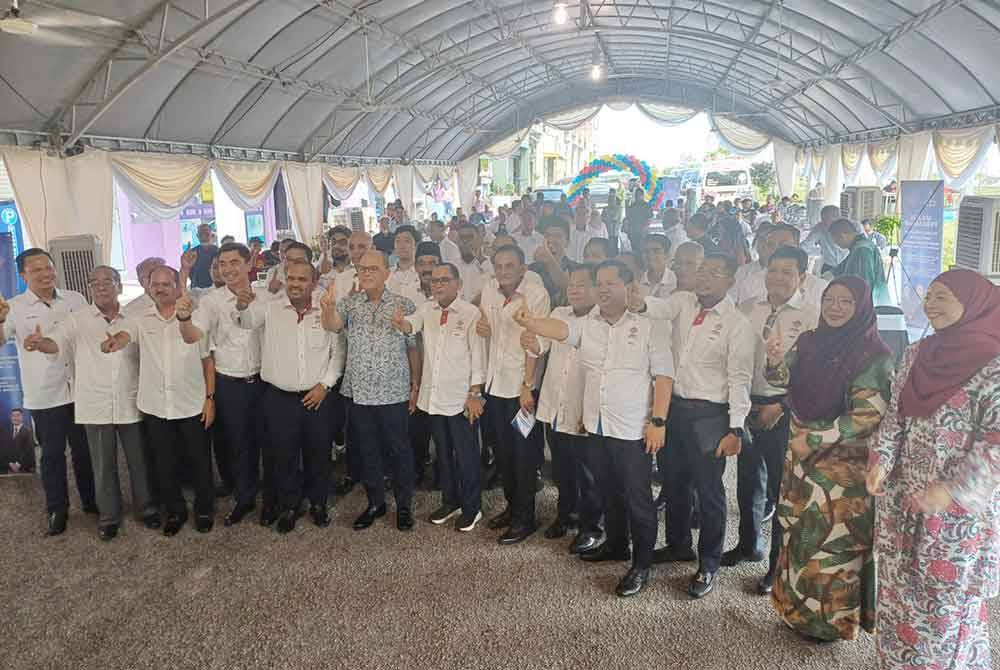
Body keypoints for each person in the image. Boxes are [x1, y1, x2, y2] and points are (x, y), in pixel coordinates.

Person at [516, 259, 674, 597]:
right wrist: (532, 323)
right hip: (595, 426)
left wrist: (658, 422)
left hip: (632, 429)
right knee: (608, 491)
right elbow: (562, 331)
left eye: (611, 282)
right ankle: (616, 545)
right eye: (599, 282)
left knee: (638, 499)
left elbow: (664, 377)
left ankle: (642, 564)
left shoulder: (649, 326)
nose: (603, 288)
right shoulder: (589, 324)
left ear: (630, 287)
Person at [869, 269, 1000, 670]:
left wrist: (950, 491)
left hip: (957, 518)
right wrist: (882, 459)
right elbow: (895, 416)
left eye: (942, 296)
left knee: (943, 605)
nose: (930, 304)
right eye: (928, 296)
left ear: (975, 303)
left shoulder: (994, 365)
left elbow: (996, 442)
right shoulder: (917, 353)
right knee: (896, 594)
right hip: (903, 502)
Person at [764, 276, 893, 641]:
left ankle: (828, 624)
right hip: (801, 456)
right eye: (829, 300)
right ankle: (794, 611)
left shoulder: (874, 355)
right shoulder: (810, 341)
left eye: (845, 302)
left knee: (830, 544)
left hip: (841, 469)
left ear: (862, 307)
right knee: (797, 535)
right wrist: (774, 360)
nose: (835, 308)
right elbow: (784, 380)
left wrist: (817, 437)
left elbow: (867, 415)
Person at [640, 253, 755, 599]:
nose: (704, 278)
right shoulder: (681, 302)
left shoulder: (738, 324)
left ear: (729, 282)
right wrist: (633, 297)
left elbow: (740, 379)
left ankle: (709, 563)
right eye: (702, 270)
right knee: (674, 483)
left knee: (709, 493)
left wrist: (736, 428)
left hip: (710, 415)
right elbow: (653, 308)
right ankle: (677, 544)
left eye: (714, 272)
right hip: (674, 409)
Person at [26, 266, 158, 540]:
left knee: (139, 461)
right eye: (93, 283)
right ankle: (109, 517)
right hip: (94, 402)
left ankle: (146, 509)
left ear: (119, 286)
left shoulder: (136, 317)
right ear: (89, 289)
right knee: (102, 464)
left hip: (130, 399)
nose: (100, 287)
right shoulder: (77, 319)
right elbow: (55, 343)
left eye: (107, 281)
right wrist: (40, 343)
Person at [728, 248, 819, 595]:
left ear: (802, 278)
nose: (778, 278)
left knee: (783, 490)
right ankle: (748, 544)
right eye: (773, 270)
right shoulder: (748, 308)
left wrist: (780, 406)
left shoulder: (811, 317)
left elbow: (812, 375)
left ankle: (777, 567)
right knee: (747, 479)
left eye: (787, 272)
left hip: (783, 411)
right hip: (747, 404)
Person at [103, 266, 216, 537]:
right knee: (164, 463)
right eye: (156, 284)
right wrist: (115, 342)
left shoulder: (196, 313)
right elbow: (124, 334)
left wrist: (210, 399)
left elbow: (206, 359)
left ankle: (204, 510)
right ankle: (175, 511)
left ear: (177, 284)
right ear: (147, 286)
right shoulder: (139, 318)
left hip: (191, 403)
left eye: (167, 283)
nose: (160, 288)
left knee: (200, 461)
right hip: (155, 405)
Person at [235, 258, 344, 533]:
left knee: (319, 453)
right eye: (291, 278)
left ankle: (318, 503)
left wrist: (325, 385)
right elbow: (247, 321)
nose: (295, 284)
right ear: (284, 280)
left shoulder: (327, 309)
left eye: (302, 279)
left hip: (318, 396)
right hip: (279, 398)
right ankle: (290, 506)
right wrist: (242, 304)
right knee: (283, 456)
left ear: (313, 282)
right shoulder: (269, 309)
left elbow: (338, 351)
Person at [0, 248, 95, 535]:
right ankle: (57, 509)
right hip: (45, 394)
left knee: (84, 450)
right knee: (52, 454)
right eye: (37, 270)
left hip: (81, 388)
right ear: (23, 275)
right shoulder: (14, 307)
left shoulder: (75, 299)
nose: (45, 274)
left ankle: (92, 501)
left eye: (48, 267)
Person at [176, 242, 272, 527]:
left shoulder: (267, 296)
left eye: (234, 262)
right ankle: (244, 498)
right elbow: (193, 335)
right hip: (230, 383)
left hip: (265, 382)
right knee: (238, 446)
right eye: (222, 264)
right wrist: (183, 318)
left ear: (248, 263)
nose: (227, 269)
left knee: (270, 443)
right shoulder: (211, 302)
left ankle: (272, 500)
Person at [325, 250, 419, 532]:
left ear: (386, 273)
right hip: (360, 393)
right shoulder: (350, 303)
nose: (366, 274)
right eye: (362, 269)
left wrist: (416, 385)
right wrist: (327, 308)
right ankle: (375, 503)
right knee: (367, 451)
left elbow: (413, 347)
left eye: (372, 269)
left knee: (400, 451)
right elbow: (332, 325)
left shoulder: (404, 304)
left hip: (394, 392)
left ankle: (404, 506)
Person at [391, 263, 486, 531]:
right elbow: (412, 326)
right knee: (443, 454)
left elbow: (478, 356)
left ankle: (472, 507)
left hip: (461, 398)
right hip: (434, 397)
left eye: (445, 280)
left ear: (458, 284)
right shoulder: (427, 309)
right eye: (434, 281)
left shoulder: (470, 313)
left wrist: (475, 393)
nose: (439, 285)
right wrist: (401, 323)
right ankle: (451, 500)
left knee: (466, 456)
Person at [521, 265, 601, 552]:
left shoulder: (600, 320)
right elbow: (539, 345)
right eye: (571, 285)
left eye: (582, 284)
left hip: (583, 407)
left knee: (589, 474)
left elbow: (567, 335)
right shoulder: (558, 314)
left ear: (595, 289)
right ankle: (566, 515)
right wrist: (530, 341)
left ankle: (592, 526)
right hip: (555, 404)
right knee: (562, 468)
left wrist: (532, 325)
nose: (574, 290)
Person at [477, 244, 551, 544]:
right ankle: (512, 507)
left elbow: (536, 341)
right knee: (504, 453)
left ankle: (525, 518)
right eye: (499, 266)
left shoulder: (535, 294)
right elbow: (484, 327)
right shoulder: (489, 290)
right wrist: (481, 326)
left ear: (523, 268)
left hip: (522, 390)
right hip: (495, 385)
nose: (504, 271)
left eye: (511, 266)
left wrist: (527, 385)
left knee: (523, 455)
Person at [831, 218, 890, 305]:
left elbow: (864, 285)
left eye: (836, 241)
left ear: (842, 236)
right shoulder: (859, 246)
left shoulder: (862, 250)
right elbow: (839, 269)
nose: (837, 244)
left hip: (869, 303)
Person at [800, 205, 847, 274]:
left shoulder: (850, 227)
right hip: (829, 266)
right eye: (822, 219)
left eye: (826, 219)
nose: (824, 222)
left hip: (847, 265)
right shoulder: (820, 228)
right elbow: (806, 245)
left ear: (837, 218)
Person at [454, 223, 492, 304]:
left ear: (480, 239)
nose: (465, 241)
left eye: (469, 237)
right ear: (457, 241)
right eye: (461, 238)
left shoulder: (492, 266)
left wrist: (481, 261)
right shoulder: (452, 267)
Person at [386, 225, 423, 305]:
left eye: (407, 241)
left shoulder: (422, 274)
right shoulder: (386, 274)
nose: (402, 246)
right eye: (398, 241)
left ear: (416, 245)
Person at [639, 234, 677, 298]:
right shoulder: (638, 280)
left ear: (667, 254)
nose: (650, 255)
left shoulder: (675, 281)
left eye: (656, 251)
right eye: (646, 251)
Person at [1, 408, 35, 474]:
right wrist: (10, 464)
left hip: (23, 469)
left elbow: (28, 451)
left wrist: (17, 465)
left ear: (22, 417)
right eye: (13, 416)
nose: (15, 418)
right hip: (7, 468)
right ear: (11, 417)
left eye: (18, 415)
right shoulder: (6, 432)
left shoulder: (28, 432)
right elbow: (3, 449)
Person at [188, 223, 219, 289]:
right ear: (197, 235)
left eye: (206, 231)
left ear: (211, 234)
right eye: (201, 232)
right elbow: (189, 272)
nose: (204, 233)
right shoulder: (192, 252)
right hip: (196, 289)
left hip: (215, 289)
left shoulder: (219, 251)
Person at [625, 187, 652, 256]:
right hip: (633, 232)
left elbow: (649, 219)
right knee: (634, 251)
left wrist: (645, 229)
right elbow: (628, 219)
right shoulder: (632, 206)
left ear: (642, 195)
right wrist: (628, 230)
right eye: (636, 195)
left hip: (642, 232)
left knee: (643, 250)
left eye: (639, 195)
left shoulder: (646, 206)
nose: (637, 196)